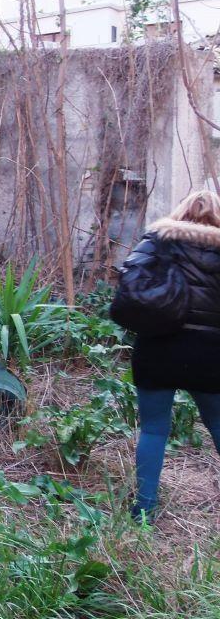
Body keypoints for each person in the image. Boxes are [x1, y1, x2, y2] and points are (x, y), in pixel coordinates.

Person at [124, 190, 220, 523]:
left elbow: (129, 280)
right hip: (210, 353)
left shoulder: (157, 241)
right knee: (217, 423)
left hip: (158, 347)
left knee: (153, 430)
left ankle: (144, 510)